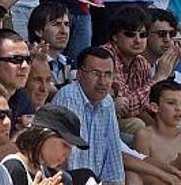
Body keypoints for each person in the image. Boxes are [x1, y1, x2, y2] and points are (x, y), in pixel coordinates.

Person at [51, 46, 125, 184]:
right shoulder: (69, 97)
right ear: (79, 74)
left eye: (108, 74)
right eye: (96, 73)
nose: (102, 81)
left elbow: (113, 157)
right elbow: (69, 161)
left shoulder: (107, 102)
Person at [1, 104, 88, 185]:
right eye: (64, 145)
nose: (68, 154)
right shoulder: (14, 168)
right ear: (44, 135)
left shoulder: (46, 172)